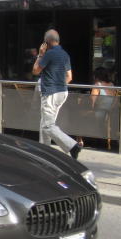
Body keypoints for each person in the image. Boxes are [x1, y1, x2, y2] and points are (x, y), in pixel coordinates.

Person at [32, 29, 81, 159]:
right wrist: (59, 85)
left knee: (48, 126)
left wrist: (40, 54)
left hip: (50, 93)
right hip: (62, 92)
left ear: (46, 42)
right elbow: (69, 77)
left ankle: (72, 146)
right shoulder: (65, 55)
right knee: (45, 123)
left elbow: (35, 71)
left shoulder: (48, 54)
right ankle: (44, 153)